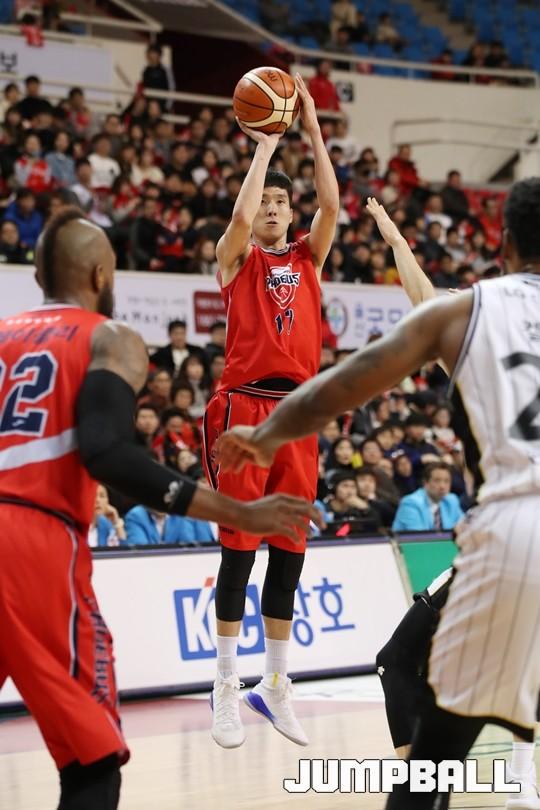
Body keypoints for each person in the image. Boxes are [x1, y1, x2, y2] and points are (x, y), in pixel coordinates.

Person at [217, 177, 540, 809]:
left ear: (502, 244)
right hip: (510, 538)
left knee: (418, 696)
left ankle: (515, 782)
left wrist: (269, 433)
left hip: (512, 532)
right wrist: (393, 239)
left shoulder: (471, 310)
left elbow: (348, 382)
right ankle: (521, 781)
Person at [0, 207, 321, 810]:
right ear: (102, 275)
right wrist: (235, 511)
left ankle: (265, 686)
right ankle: (230, 685)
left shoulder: (3, 333)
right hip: (33, 543)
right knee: (93, 764)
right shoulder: (108, 337)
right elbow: (106, 453)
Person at [203, 73, 339, 751]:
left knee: (289, 552)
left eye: (282, 202)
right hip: (243, 411)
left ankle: (275, 684)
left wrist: (309, 127)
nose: (274, 209)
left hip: (298, 414)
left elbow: (332, 204)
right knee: (239, 551)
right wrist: (264, 144)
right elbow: (235, 222)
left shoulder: (309, 256)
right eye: (266, 202)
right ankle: (225, 683)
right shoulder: (236, 258)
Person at [392, 461, 464, 531]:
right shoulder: (410, 503)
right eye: (437, 480)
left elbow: (464, 528)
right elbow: (419, 537)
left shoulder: (451, 500)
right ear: (425, 483)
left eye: (446, 481)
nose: (442, 486)